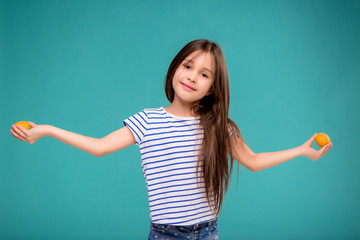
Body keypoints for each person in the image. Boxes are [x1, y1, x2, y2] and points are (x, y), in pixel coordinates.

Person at [10, 39, 333, 240]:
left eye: (204, 74)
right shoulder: (148, 121)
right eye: (188, 65)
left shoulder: (218, 127)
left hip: (208, 232)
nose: (192, 76)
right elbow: (100, 146)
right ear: (175, 68)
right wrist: (48, 130)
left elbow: (254, 161)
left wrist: (303, 151)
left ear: (212, 88)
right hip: (166, 235)